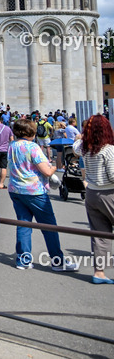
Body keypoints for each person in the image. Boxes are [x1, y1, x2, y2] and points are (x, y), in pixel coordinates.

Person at [7, 117, 78, 272]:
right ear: (31, 132)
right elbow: (45, 170)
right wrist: (53, 168)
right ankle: (57, 261)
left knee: (24, 224)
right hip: (34, 190)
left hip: (16, 189)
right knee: (49, 226)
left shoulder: (12, 146)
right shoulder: (32, 147)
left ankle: (23, 260)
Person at [73, 114, 114, 284]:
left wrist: (80, 137)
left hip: (92, 193)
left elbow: (75, 147)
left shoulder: (85, 148)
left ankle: (99, 272)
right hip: (109, 193)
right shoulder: (108, 149)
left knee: (100, 235)